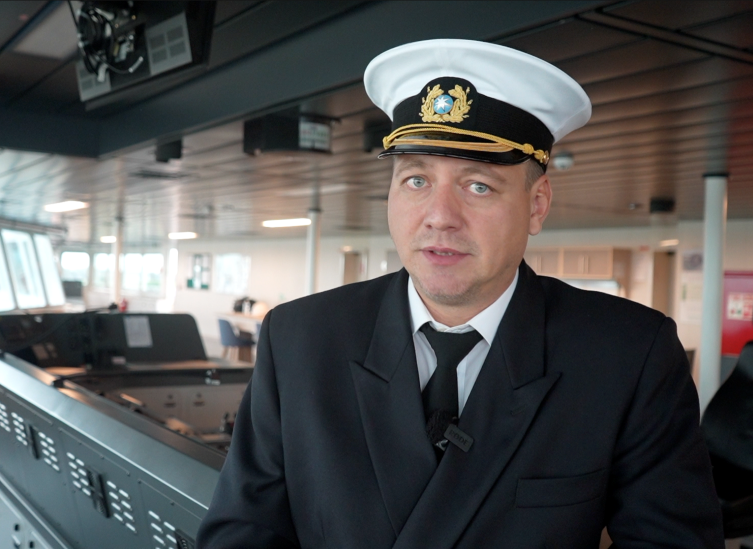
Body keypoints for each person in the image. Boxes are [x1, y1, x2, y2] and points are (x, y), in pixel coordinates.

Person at [197, 39, 724, 548]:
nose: (440, 218)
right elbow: (243, 532)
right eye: (416, 181)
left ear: (537, 204)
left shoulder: (628, 355)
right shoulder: (299, 341)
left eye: (478, 186)